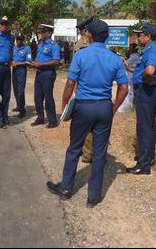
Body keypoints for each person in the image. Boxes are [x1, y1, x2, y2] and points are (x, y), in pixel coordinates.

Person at [46, 18, 128, 208]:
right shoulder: (115, 59)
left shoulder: (81, 56)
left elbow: (70, 83)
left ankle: (66, 188)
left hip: (83, 106)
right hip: (104, 107)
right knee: (99, 153)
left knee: (75, 147)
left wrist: (65, 105)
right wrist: (113, 108)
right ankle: (93, 196)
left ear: (89, 34)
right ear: (106, 37)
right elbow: (123, 88)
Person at [125, 22, 156, 175]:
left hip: (146, 92)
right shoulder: (148, 49)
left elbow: (150, 70)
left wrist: (144, 77)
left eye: (140, 35)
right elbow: (143, 69)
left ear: (148, 36)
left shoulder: (152, 51)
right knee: (149, 126)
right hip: (147, 92)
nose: (137, 37)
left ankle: (143, 164)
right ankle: (148, 156)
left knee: (144, 127)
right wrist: (130, 69)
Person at [30, 24, 61, 128]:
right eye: (40, 32)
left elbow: (56, 62)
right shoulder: (40, 44)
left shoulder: (54, 45)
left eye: (43, 32)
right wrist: (35, 63)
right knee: (37, 97)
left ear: (49, 33)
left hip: (48, 74)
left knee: (48, 97)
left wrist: (41, 64)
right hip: (39, 73)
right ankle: (40, 118)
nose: (41, 34)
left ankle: (52, 121)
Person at [73, 16, 95, 163]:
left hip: (85, 87)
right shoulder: (84, 44)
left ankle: (87, 152)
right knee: (89, 125)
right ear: (86, 31)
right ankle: (89, 153)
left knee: (85, 122)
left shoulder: (83, 44)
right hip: (88, 86)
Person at [12, 32, 32, 118]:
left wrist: (18, 63)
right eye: (17, 39)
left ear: (23, 40)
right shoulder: (13, 48)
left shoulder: (27, 49)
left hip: (21, 70)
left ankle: (22, 111)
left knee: (20, 90)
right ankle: (18, 105)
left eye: (20, 39)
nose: (18, 41)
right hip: (14, 70)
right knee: (15, 89)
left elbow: (29, 61)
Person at [118, 43, 140, 112]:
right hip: (129, 77)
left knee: (130, 92)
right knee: (129, 92)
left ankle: (127, 108)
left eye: (130, 48)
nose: (128, 49)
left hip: (131, 77)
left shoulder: (134, 56)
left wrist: (122, 59)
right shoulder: (132, 56)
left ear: (134, 49)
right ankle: (127, 107)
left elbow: (126, 64)